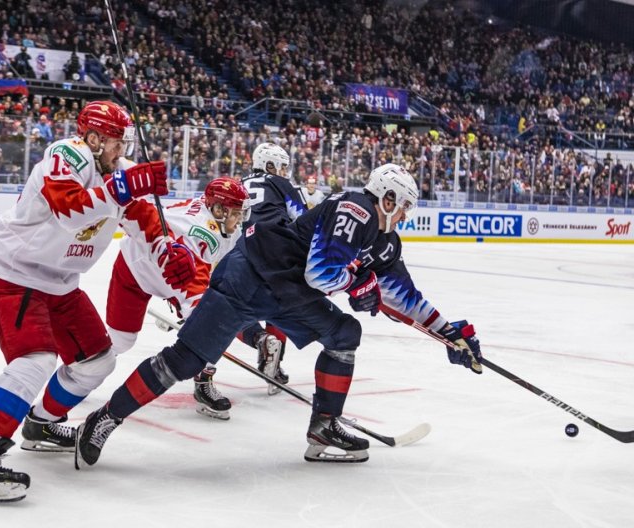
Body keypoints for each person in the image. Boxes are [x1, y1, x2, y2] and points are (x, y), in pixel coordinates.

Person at [74, 163, 483, 469]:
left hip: (289, 294)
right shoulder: (356, 209)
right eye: (404, 206)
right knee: (186, 359)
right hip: (250, 275)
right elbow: (321, 272)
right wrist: (357, 285)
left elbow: (403, 296)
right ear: (387, 198)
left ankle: (324, 426)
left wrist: (449, 333)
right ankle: (105, 418)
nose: (406, 216)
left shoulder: (385, 241)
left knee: (344, 333)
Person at [0, 100, 191, 502]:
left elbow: (147, 226)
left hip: (62, 284)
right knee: (36, 360)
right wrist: (124, 187)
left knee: (98, 360)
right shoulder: (67, 154)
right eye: (119, 141)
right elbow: (68, 208)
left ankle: (42, 423)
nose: (124, 150)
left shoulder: (118, 173)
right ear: (95, 138)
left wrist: (170, 254)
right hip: (14, 275)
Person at [107, 177, 250, 420]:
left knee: (217, 313)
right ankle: (84, 367)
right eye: (236, 214)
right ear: (218, 210)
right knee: (121, 341)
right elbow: (197, 299)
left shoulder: (213, 215)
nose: (240, 221)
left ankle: (203, 379)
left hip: (173, 269)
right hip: (136, 270)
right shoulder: (204, 235)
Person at [237, 141, 307, 394]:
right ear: (269, 165)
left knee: (229, 310)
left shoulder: (238, 183)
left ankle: (259, 341)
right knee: (280, 307)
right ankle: (274, 368)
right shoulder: (283, 184)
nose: (285, 172)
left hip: (238, 252)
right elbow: (303, 219)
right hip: (274, 250)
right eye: (281, 166)